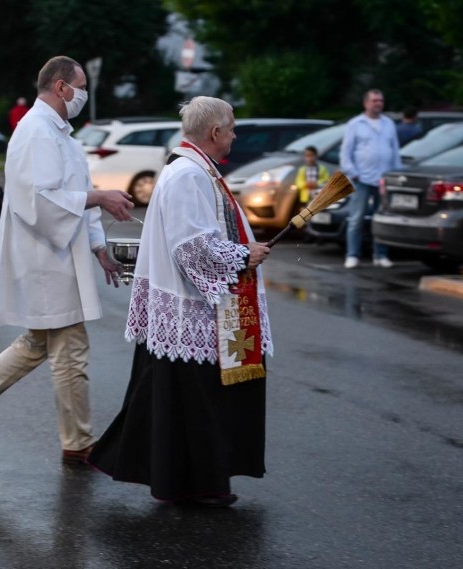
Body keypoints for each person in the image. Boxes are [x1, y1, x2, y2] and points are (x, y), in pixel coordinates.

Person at [0, 56, 135, 465]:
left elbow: (79, 189)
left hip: (60, 255)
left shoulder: (59, 133)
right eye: (80, 87)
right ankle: (78, 443)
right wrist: (99, 199)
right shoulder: (35, 132)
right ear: (61, 87)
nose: (83, 95)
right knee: (70, 349)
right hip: (46, 259)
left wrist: (99, 247)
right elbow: (40, 201)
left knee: (38, 344)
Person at [87, 96, 273, 508]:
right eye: (233, 129)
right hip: (190, 306)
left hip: (183, 307)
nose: (235, 136)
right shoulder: (189, 175)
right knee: (195, 404)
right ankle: (196, 484)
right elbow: (192, 247)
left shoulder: (193, 169)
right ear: (215, 132)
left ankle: (176, 478)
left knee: (171, 401)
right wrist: (245, 255)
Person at [340, 89, 401, 269]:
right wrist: (352, 171)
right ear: (366, 103)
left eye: (381, 101)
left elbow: (394, 150)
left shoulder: (388, 123)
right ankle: (352, 254)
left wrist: (396, 174)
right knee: (356, 219)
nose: (378, 104)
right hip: (362, 178)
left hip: (383, 179)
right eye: (375, 101)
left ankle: (380, 254)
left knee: (381, 218)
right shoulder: (355, 124)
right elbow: (346, 152)